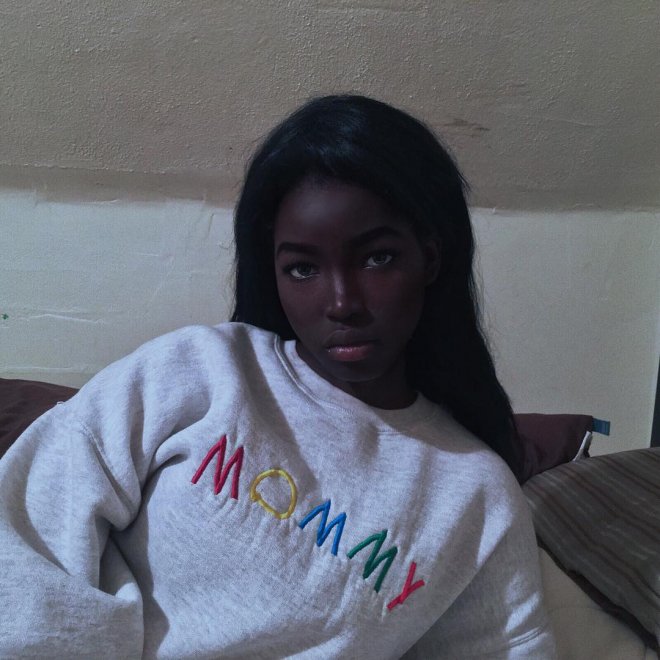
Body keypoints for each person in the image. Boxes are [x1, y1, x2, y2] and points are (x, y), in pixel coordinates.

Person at [0, 95, 556, 658]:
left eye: (377, 258)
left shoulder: (475, 496)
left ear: (429, 258)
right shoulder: (197, 371)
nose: (342, 302)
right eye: (303, 268)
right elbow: (28, 531)